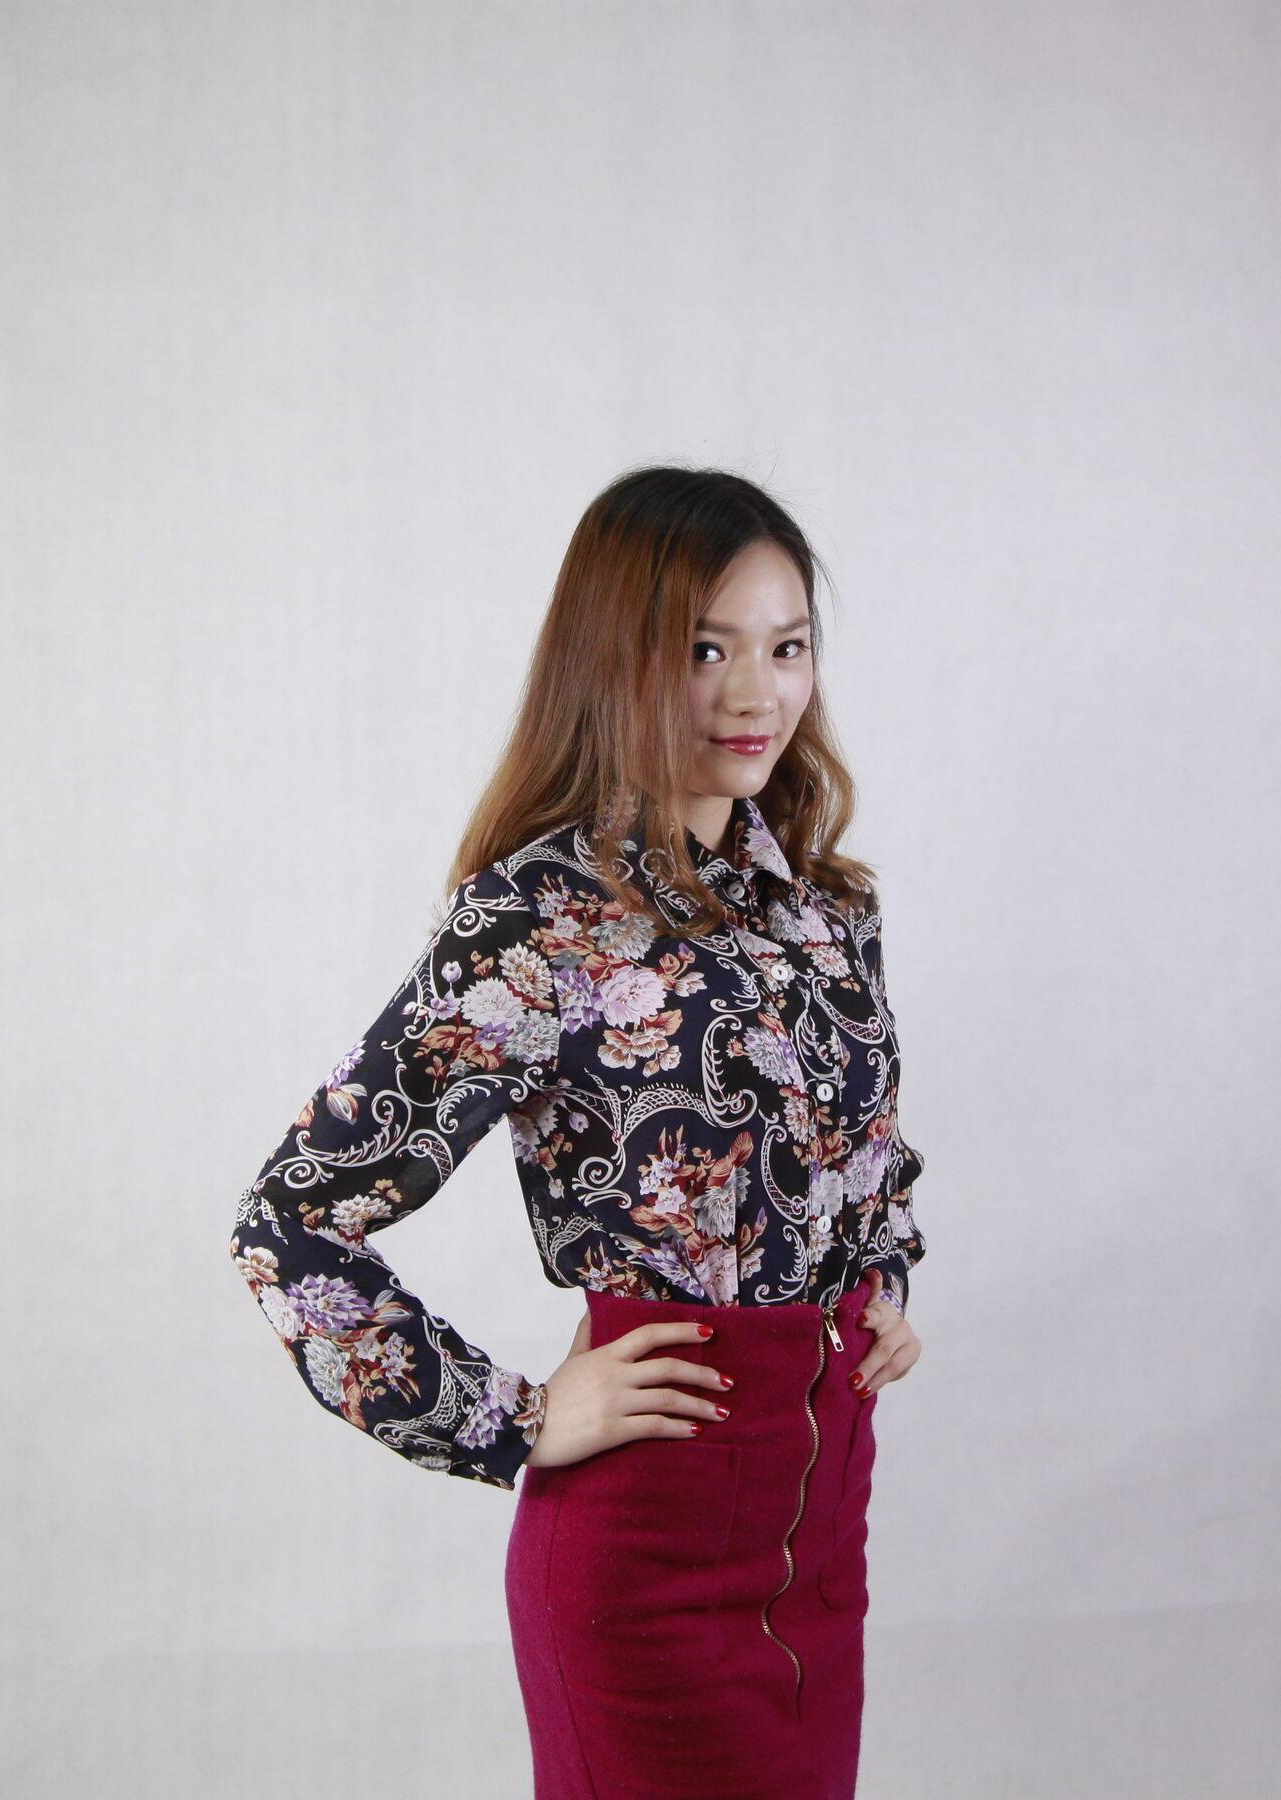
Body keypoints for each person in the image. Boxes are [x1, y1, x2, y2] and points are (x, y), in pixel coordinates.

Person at [227, 464, 929, 1798]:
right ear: (618, 659)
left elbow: (865, 1151)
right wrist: (516, 1417)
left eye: (787, 648)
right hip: (646, 1561)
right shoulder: (540, 920)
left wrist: (881, 1279)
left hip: (821, 1536)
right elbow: (291, 1223)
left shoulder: (828, 909)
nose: (755, 693)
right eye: (705, 649)